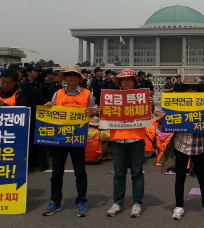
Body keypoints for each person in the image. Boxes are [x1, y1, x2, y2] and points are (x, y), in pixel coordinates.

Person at [155, 77, 204, 220]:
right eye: (187, 88)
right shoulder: (175, 103)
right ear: (182, 90)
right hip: (181, 144)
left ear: (198, 90)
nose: (190, 90)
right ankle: (179, 206)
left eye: (193, 88)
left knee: (202, 176)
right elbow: (164, 125)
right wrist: (161, 117)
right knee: (180, 176)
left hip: (199, 144)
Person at [42, 65, 97, 217]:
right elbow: (51, 112)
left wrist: (92, 112)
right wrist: (48, 107)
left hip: (77, 137)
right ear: (65, 78)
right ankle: (55, 201)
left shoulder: (87, 94)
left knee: (80, 172)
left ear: (79, 78)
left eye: (74, 75)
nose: (71, 77)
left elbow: (94, 112)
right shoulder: (58, 93)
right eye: (69, 74)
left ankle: (81, 201)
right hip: (59, 138)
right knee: (56, 172)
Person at [104, 69, 149, 218]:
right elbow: (105, 117)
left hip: (136, 138)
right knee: (119, 173)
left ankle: (137, 202)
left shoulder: (142, 97)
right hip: (118, 138)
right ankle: (117, 202)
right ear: (120, 82)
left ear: (135, 82)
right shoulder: (112, 98)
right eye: (124, 80)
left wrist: (149, 104)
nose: (127, 82)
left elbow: (149, 116)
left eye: (130, 79)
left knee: (137, 173)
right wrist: (101, 111)